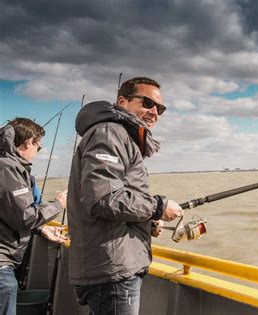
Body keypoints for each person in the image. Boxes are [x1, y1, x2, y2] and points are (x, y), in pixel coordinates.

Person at [67, 76, 183, 314]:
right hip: (112, 270)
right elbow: (103, 198)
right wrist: (158, 207)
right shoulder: (110, 133)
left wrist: (146, 220)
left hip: (112, 266)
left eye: (160, 108)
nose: (154, 112)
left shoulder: (120, 137)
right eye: (147, 103)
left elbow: (114, 200)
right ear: (122, 101)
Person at [0, 118, 68, 315]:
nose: (37, 153)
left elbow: (8, 213)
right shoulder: (8, 168)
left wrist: (41, 228)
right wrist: (58, 205)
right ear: (29, 141)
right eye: (38, 147)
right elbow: (25, 217)